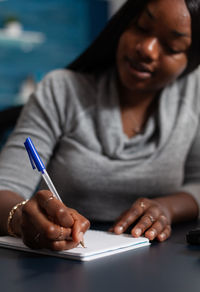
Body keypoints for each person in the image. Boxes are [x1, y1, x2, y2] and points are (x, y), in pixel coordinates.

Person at [0, 0, 200, 251]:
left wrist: (168, 208)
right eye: (141, 27)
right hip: (60, 265)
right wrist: (20, 218)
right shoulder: (61, 90)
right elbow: (4, 187)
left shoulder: (194, 94)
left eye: (171, 47)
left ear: (192, 60)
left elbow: (197, 181)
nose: (146, 49)